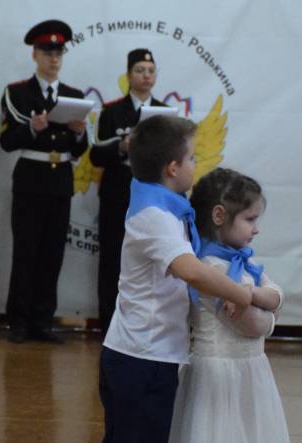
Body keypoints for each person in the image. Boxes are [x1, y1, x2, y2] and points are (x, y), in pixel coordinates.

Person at [85, 115, 263, 443]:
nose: (194, 165)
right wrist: (246, 295)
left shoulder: (164, 207)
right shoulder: (155, 217)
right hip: (143, 360)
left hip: (141, 355)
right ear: (171, 167)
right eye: (190, 158)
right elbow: (192, 273)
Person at [162, 168, 293, 443]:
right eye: (249, 219)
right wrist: (266, 305)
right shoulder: (212, 269)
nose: (256, 229)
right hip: (217, 379)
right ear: (219, 215)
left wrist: (260, 299)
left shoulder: (243, 264)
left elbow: (273, 297)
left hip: (246, 376)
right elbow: (253, 323)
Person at [0, 19, 89, 344]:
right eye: (48, 52)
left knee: (52, 254)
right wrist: (32, 128)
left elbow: (80, 149)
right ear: (35, 55)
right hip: (30, 180)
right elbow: (6, 142)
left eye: (58, 53)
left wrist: (78, 135)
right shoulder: (18, 93)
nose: (54, 59)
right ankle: (18, 322)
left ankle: (43, 321)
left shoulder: (74, 96)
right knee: (26, 253)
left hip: (60, 181)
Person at [91, 48, 169, 332]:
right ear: (128, 75)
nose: (146, 76)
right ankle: (109, 324)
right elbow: (96, 155)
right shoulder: (112, 111)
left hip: (153, 193)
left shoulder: (164, 113)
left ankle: (146, 322)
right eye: (140, 70)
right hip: (118, 192)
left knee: (152, 257)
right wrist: (122, 146)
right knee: (113, 257)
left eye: (151, 71)